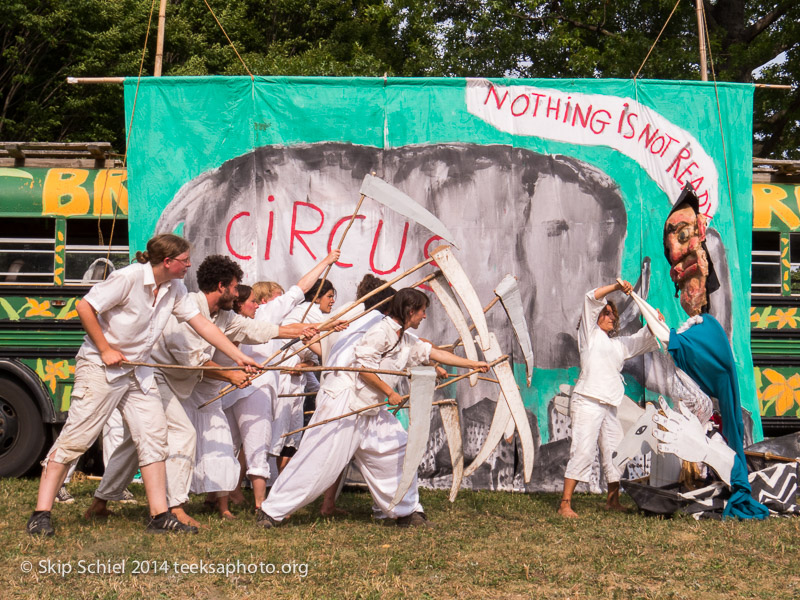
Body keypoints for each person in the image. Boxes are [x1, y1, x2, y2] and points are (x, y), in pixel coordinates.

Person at [27, 234, 262, 537]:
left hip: (138, 372)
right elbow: (85, 307)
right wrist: (105, 349)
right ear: (167, 262)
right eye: (184, 260)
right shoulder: (127, 278)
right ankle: (41, 514)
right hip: (101, 369)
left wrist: (240, 357)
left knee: (154, 436)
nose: (189, 265)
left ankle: (159, 516)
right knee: (78, 437)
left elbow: (202, 325)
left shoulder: (175, 288)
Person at [84, 254, 319, 527]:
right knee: (183, 435)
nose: (238, 293)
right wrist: (231, 374)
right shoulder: (188, 310)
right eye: (234, 287)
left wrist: (305, 331)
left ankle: (101, 501)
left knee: (135, 444)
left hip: (178, 384)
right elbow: (193, 360)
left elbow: (257, 329)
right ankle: (176, 507)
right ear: (221, 286)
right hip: (155, 379)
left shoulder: (223, 316)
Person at [257, 287, 489, 529]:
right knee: (318, 461)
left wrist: (473, 364)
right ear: (410, 311)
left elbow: (432, 352)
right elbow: (363, 370)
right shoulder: (380, 331)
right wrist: (390, 392)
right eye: (422, 311)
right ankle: (271, 511)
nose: (424, 316)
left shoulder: (403, 338)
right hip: (345, 403)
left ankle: (406, 511)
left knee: (397, 451)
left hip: (370, 407)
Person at [223, 251, 341, 513]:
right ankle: (238, 500)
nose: (256, 304)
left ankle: (244, 500)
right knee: (235, 444)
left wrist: (326, 262)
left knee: (250, 444)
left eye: (257, 300)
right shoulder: (229, 319)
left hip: (251, 387)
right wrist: (326, 262)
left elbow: (297, 294)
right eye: (252, 301)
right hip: (239, 387)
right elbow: (300, 289)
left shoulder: (263, 316)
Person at [558, 280, 658, 518]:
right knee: (582, 451)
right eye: (606, 313)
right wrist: (616, 287)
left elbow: (642, 338)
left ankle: (612, 501)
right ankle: (564, 504)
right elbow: (590, 296)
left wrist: (655, 321)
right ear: (596, 317)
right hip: (588, 401)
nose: (611, 317)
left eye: (613, 314)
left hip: (610, 405)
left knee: (615, 453)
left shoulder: (618, 345)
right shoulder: (589, 335)